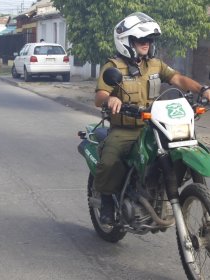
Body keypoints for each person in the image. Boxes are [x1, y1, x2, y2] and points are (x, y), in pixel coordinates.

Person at [95, 12, 210, 225]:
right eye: (140, 40)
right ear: (126, 42)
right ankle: (107, 201)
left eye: (148, 40)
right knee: (110, 159)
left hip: (156, 125)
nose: (146, 44)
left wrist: (202, 90)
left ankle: (162, 188)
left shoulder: (155, 65)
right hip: (126, 129)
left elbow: (178, 79)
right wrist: (110, 99)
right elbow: (100, 95)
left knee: (182, 147)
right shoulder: (113, 67)